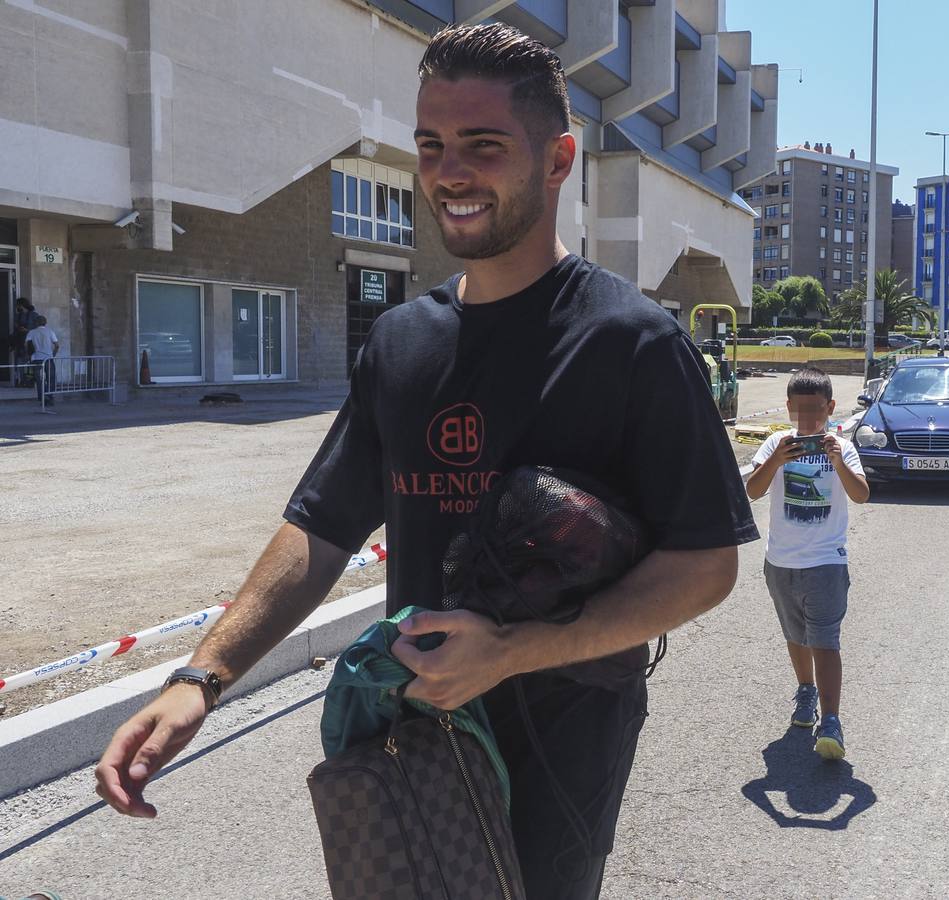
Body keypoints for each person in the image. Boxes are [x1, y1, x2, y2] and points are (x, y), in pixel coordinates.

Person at [94, 22, 757, 899]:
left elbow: (705, 565)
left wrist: (512, 651)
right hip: (404, 730)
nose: (449, 172)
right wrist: (200, 678)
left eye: (483, 145)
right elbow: (321, 528)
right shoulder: (402, 340)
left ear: (557, 161)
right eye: (432, 145)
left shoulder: (633, 343)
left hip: (564, 743)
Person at [746, 367, 869, 761]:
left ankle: (831, 721)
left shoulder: (842, 448)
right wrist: (776, 460)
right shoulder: (776, 443)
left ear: (831, 408)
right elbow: (753, 490)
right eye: (799, 412)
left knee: (825, 640)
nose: (808, 421)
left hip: (826, 562)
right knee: (796, 636)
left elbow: (862, 495)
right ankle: (806, 691)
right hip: (780, 562)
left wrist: (837, 461)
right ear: (787, 408)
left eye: (815, 411)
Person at [25, 314, 59, 401]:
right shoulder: (50, 331)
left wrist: (29, 355)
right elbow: (57, 345)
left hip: (37, 358)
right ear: (46, 322)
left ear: (36, 323)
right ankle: (50, 396)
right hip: (48, 358)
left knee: (39, 380)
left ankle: (41, 398)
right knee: (51, 378)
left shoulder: (31, 332)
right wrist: (53, 354)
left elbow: (26, 345)